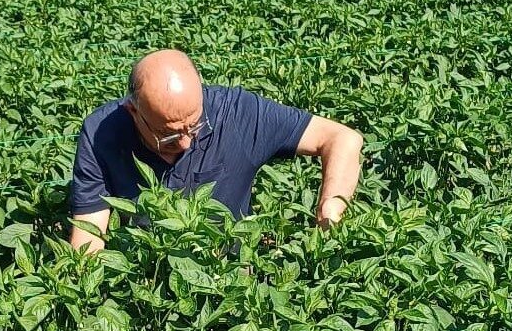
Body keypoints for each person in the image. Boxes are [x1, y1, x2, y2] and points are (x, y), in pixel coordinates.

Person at [68, 49, 363, 254]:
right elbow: (89, 235)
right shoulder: (101, 133)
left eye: (195, 125)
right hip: (148, 278)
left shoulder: (237, 114)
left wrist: (330, 210)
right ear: (133, 112)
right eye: (169, 134)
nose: (186, 143)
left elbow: (342, 138)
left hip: (230, 279)